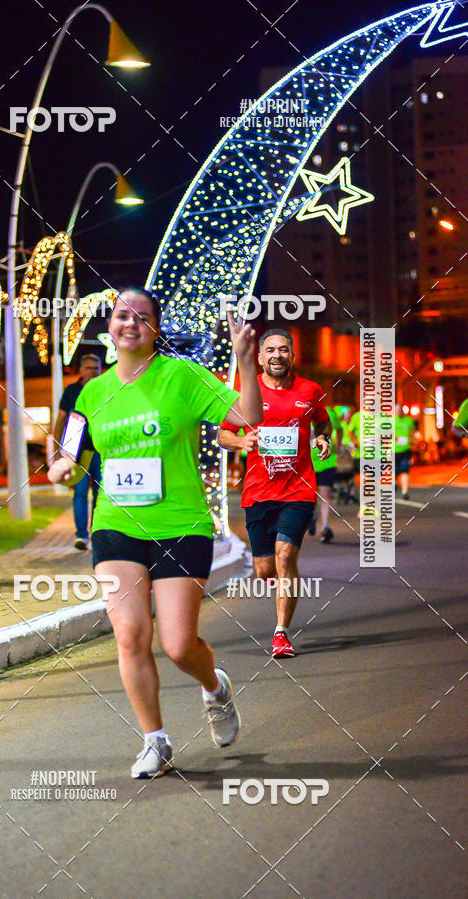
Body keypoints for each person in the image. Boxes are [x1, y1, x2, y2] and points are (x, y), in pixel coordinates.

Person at [48, 287, 262, 778]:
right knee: (130, 635)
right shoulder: (92, 393)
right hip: (116, 525)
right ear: (110, 327)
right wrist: (61, 467)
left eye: (141, 317)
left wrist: (246, 362)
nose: (131, 323)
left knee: (179, 645)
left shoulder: (182, 376)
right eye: (122, 315)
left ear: (155, 328)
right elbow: (72, 454)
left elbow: (248, 418)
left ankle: (215, 688)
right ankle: (156, 741)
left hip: (180, 524)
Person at [218, 329, 332, 659]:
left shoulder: (311, 390)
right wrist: (242, 441)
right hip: (258, 491)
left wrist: (322, 438)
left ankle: (281, 633)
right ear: (259, 357)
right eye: (270, 350)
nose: (277, 355)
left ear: (292, 356)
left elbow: (323, 424)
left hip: (299, 488)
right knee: (264, 569)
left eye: (283, 350)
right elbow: (223, 434)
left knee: (285, 557)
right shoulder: (246, 392)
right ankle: (278, 580)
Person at [52, 354, 102, 550]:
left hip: (100, 449)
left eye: (96, 368)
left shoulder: (104, 389)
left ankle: (97, 533)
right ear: (81, 370)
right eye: (89, 368)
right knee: (80, 492)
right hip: (76, 450)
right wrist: (57, 449)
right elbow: (61, 419)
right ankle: (81, 535)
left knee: (100, 493)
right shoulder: (71, 391)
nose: (93, 372)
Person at [309, 406, 343, 542]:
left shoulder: (330, 414)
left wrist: (338, 445)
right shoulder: (302, 411)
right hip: (308, 463)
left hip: (327, 461)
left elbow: (340, 429)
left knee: (325, 496)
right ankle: (311, 518)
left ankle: (325, 527)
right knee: (310, 497)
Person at [394, 404, 417, 500]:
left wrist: (412, 440)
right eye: (397, 410)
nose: (399, 412)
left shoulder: (408, 420)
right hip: (393, 450)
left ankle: (405, 492)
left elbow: (412, 432)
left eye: (400, 410)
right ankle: (394, 482)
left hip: (405, 450)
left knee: (405, 471)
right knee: (394, 471)